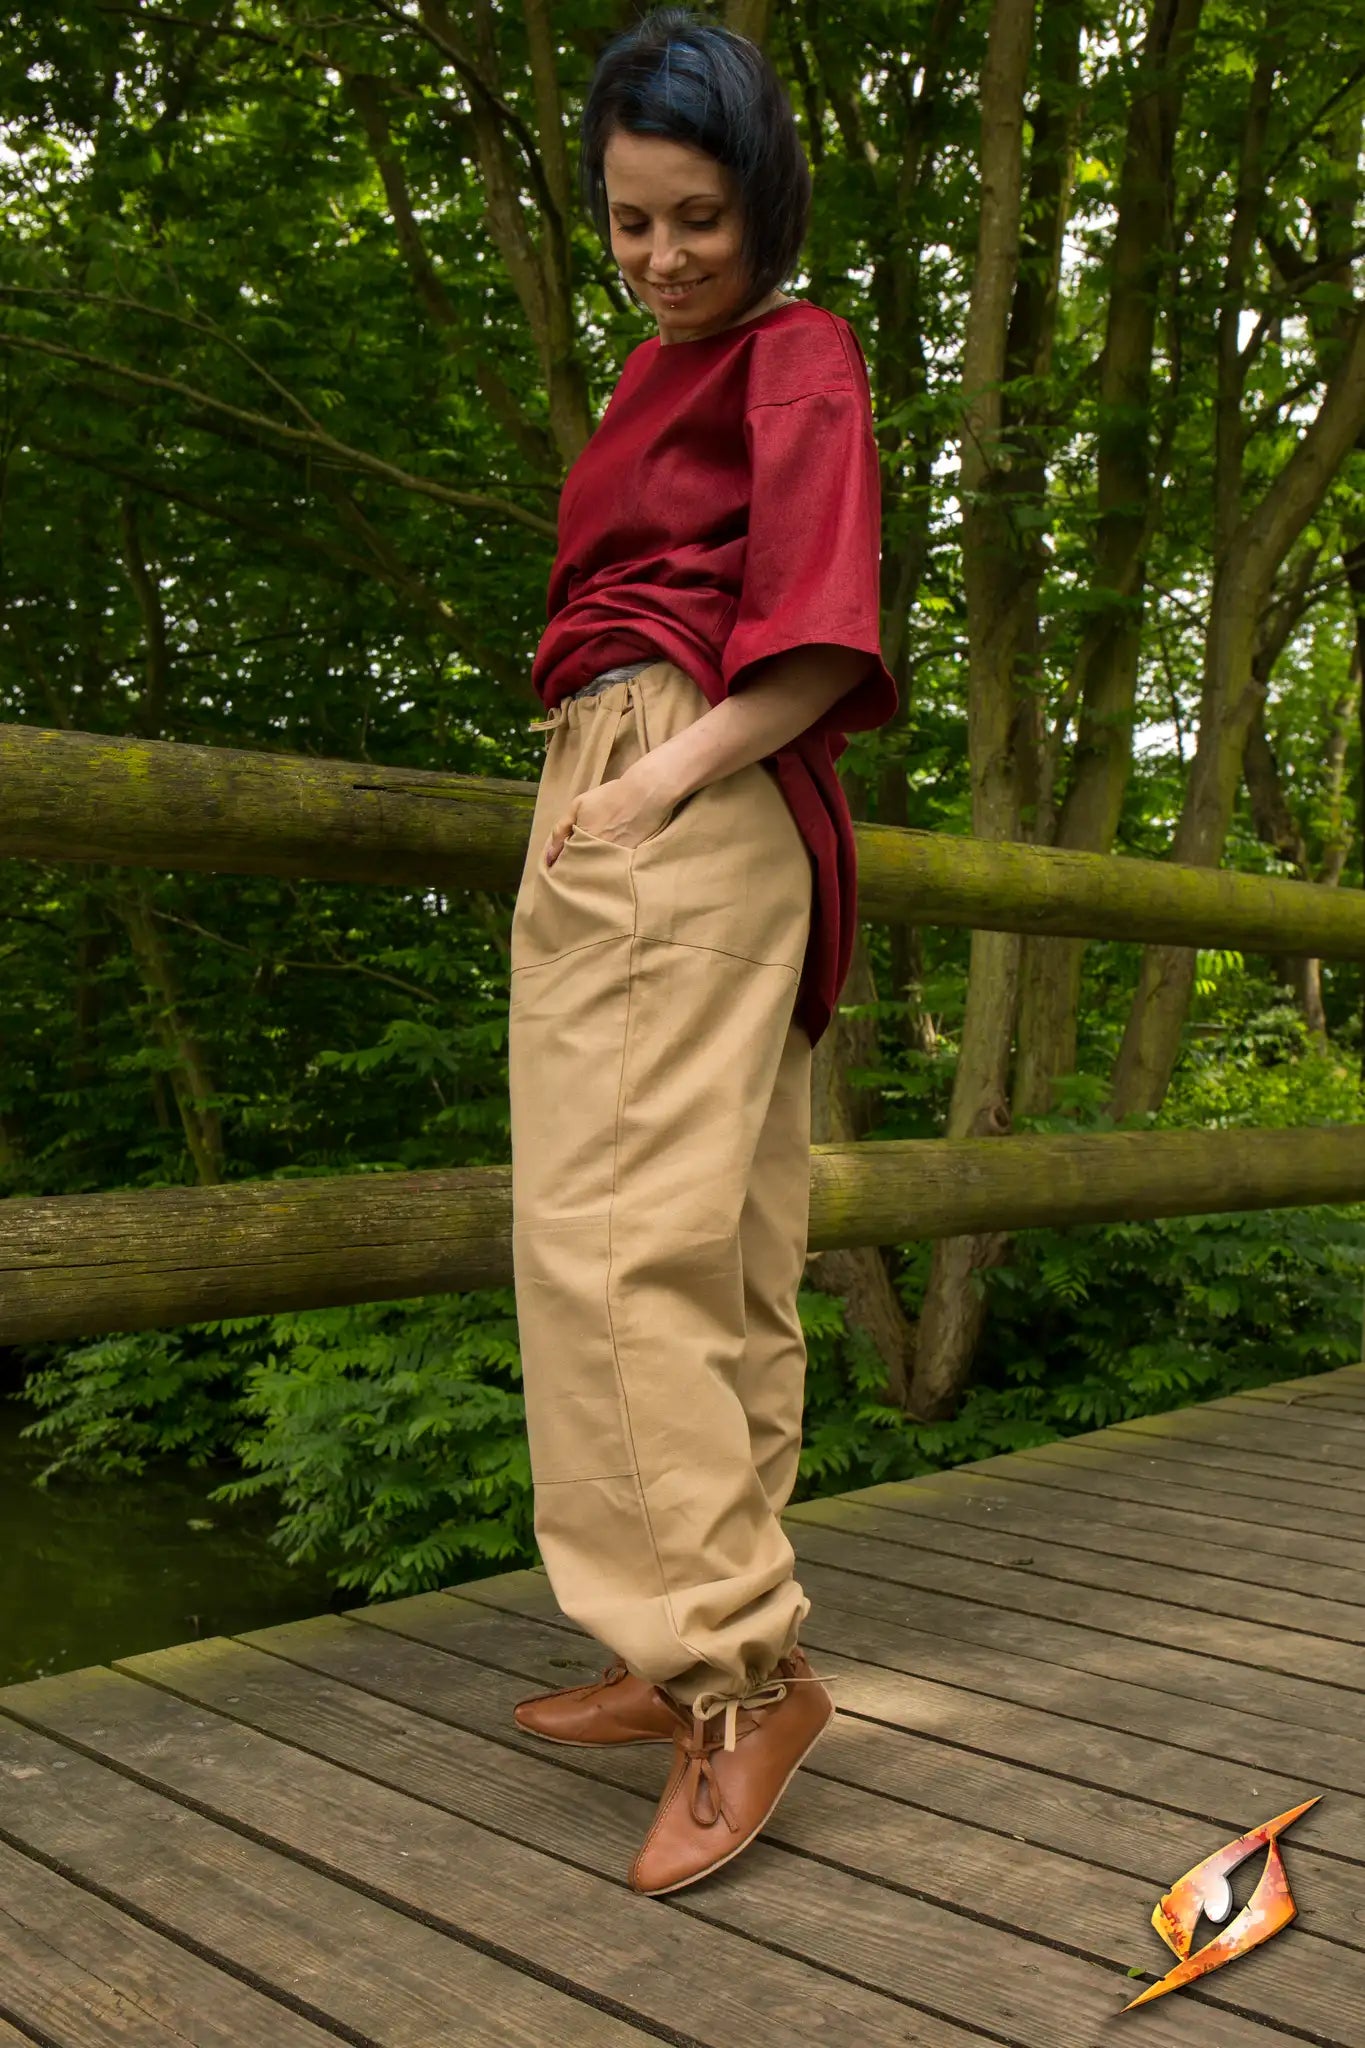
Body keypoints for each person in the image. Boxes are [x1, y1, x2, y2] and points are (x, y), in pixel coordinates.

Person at [506, 5, 898, 1897]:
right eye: (629, 221)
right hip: (670, 797)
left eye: (697, 222)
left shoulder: (791, 351)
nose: (661, 257)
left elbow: (821, 634)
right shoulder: (658, 380)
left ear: (768, 212)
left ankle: (738, 1682)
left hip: (680, 787)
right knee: (716, 1246)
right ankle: (684, 1655)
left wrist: (649, 790)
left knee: (611, 1244)